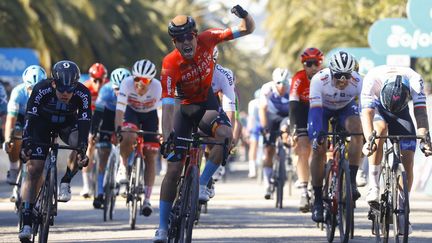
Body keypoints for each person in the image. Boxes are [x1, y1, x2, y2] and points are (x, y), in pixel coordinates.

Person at [153, 5, 255, 242]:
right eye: (179, 39)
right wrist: (167, 135)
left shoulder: (209, 39)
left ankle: (202, 182)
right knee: (174, 169)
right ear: (174, 42)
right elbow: (167, 106)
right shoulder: (170, 63)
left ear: (196, 35)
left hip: (206, 105)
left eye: (189, 36)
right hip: (182, 109)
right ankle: (162, 227)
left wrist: (245, 15)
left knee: (226, 136)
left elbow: (247, 29)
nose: (186, 42)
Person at [18, 60, 91, 241]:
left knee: (78, 144)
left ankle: (66, 180)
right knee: (34, 168)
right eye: (61, 90)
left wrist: (83, 148)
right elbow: (30, 117)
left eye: (70, 90)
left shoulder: (82, 93)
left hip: (67, 124)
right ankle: (26, 220)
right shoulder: (41, 89)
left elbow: (84, 122)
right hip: (41, 124)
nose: (66, 94)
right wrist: (26, 142)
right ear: (53, 84)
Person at [361, 65, 432, 234]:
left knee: (408, 156)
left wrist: (425, 140)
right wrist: (369, 140)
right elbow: (367, 114)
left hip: (401, 111)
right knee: (380, 129)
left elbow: (421, 114)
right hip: (377, 107)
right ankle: (373, 185)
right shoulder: (372, 79)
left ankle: (402, 209)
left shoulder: (415, 81)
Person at [308, 51, 363, 223]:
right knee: (319, 148)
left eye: (346, 75)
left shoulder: (359, 81)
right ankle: (317, 200)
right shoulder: (319, 80)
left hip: (346, 109)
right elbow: (315, 111)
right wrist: (317, 135)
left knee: (358, 131)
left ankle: (351, 181)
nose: (343, 80)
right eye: (338, 75)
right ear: (331, 71)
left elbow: (365, 110)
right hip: (322, 110)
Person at [114, 59, 162, 217]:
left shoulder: (157, 87)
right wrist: (118, 129)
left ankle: (147, 199)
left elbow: (163, 112)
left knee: (151, 154)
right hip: (132, 113)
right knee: (127, 136)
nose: (140, 83)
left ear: (152, 80)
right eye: (137, 78)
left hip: (150, 116)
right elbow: (120, 109)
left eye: (145, 80)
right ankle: (123, 167)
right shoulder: (126, 84)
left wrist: (162, 134)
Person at [90, 67, 131, 209]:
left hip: (126, 115)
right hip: (108, 116)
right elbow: (98, 114)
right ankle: (99, 193)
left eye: (121, 89)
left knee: (128, 143)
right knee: (103, 155)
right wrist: (93, 131)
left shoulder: (132, 89)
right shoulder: (106, 90)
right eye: (116, 89)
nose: (118, 92)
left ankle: (127, 172)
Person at [289, 47, 324, 212]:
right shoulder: (298, 78)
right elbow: (293, 106)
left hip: (322, 110)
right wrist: (293, 129)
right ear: (303, 65)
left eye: (315, 63)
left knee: (326, 148)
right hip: (303, 111)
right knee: (303, 148)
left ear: (320, 64)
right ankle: (304, 189)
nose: (312, 67)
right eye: (307, 64)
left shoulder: (326, 77)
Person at [4, 66, 46, 192]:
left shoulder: (48, 93)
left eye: (37, 89)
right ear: (24, 84)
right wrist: (7, 140)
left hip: (38, 117)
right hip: (21, 118)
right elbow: (10, 119)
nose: (33, 92)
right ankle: (13, 167)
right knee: (16, 133)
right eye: (30, 88)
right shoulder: (18, 92)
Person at [258, 67, 290, 200]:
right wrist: (265, 128)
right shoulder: (267, 88)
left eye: (284, 83)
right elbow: (262, 108)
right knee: (269, 149)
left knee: (286, 131)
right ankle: (267, 181)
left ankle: (288, 158)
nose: (282, 86)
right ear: (273, 82)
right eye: (278, 83)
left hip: (286, 116)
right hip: (271, 115)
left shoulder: (293, 86)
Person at [80, 62, 109, 198]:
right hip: (89, 118)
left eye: (100, 80)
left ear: (105, 79)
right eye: (95, 80)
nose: (98, 84)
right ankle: (86, 184)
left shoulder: (109, 87)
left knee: (107, 148)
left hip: (105, 118)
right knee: (89, 146)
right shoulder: (85, 87)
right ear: (90, 78)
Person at [247, 89, 261, 178]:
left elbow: (251, 117)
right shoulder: (266, 101)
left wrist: (248, 130)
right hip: (265, 126)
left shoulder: (252, 103)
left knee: (253, 147)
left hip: (255, 127)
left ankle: (252, 170)